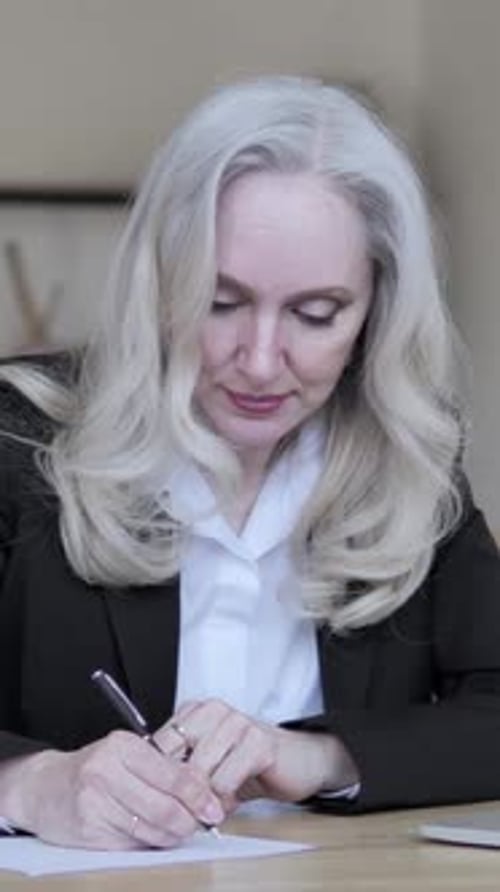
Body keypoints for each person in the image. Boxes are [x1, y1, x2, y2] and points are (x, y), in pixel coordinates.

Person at [0, 75, 500, 852]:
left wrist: (316, 755)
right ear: (160, 284)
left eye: (315, 313)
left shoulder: (412, 464)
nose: (261, 362)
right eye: (221, 301)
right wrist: (29, 785)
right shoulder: (19, 440)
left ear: (377, 313)